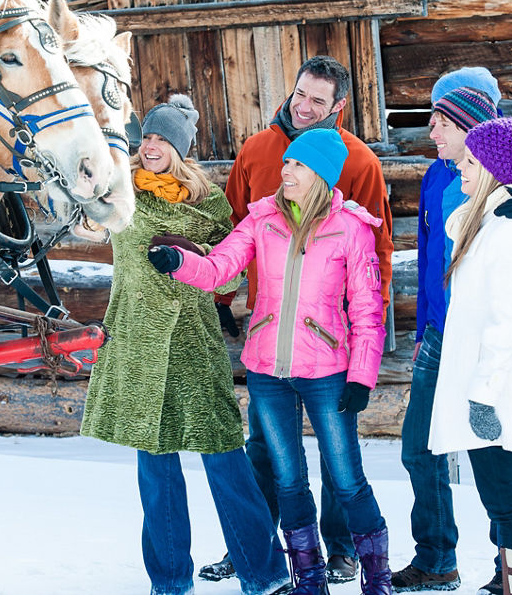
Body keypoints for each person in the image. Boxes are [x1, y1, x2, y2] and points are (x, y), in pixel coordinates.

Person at [150, 128, 391, 595]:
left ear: (319, 174)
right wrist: (178, 262)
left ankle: (376, 579)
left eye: (297, 165)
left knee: (347, 481)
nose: (285, 171)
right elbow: (221, 267)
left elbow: (367, 308)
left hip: (327, 373)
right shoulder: (261, 219)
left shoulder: (351, 227)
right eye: (285, 164)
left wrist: (362, 374)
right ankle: (309, 581)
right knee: (288, 481)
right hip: (268, 373)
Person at [79, 94, 291, 595]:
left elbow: (230, 265)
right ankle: (170, 581)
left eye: (161, 139)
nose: (150, 146)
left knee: (225, 458)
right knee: (156, 471)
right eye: (146, 137)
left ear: (180, 148)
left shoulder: (211, 202)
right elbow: (85, 218)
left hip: (195, 342)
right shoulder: (119, 189)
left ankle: (263, 574)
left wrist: (196, 257)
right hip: (137, 341)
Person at [202, 55, 393, 585]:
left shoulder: (358, 163)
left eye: (317, 100)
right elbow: (234, 227)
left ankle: (341, 550)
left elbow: (373, 252)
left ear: (339, 107)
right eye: (299, 94)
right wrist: (224, 298)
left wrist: (361, 346)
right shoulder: (257, 150)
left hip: (328, 339)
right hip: (269, 338)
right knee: (266, 453)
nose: (303, 107)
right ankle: (258, 549)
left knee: (338, 460)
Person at [392, 70, 512, 595]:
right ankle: (436, 558)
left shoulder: (510, 179)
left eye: (440, 120)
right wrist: (428, 328)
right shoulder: (438, 176)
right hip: (443, 339)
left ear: (472, 130)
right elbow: (435, 263)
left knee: (503, 474)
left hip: (491, 348)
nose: (430, 129)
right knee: (420, 450)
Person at [428, 116, 512, 595]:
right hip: (484, 390)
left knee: (508, 503)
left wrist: (483, 396)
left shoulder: (507, 233)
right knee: (501, 502)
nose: (460, 167)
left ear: (490, 167)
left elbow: (507, 324)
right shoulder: (484, 222)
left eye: (469, 160)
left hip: (496, 395)